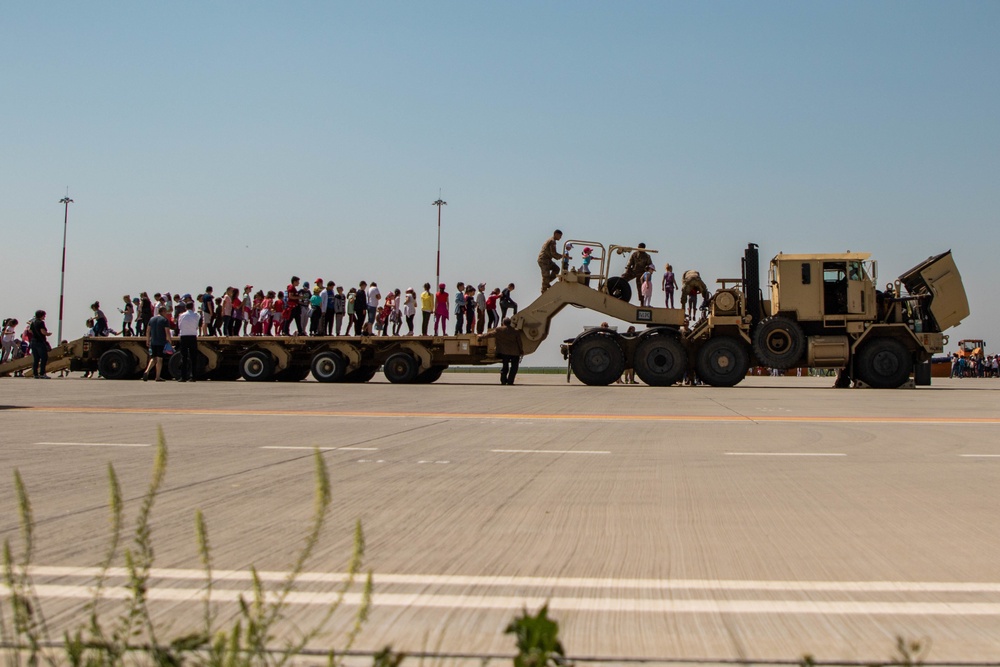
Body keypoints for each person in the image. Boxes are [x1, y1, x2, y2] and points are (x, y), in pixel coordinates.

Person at [480, 317, 524, 385]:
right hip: (515, 352)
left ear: (503, 323)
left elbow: (490, 334)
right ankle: (510, 381)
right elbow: (519, 342)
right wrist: (521, 350)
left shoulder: (499, 330)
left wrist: (481, 337)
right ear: (510, 323)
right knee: (514, 368)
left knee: (505, 367)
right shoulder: (515, 331)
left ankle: (503, 380)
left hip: (504, 352)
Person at [142, 306, 172, 382]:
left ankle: (147, 371)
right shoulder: (164, 320)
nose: (166, 314)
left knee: (153, 358)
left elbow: (148, 330)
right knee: (159, 359)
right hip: (161, 342)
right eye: (165, 312)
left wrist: (147, 340)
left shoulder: (152, 319)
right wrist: (169, 341)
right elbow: (167, 331)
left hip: (153, 341)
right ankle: (157, 377)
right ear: (163, 312)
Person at [176, 298, 200, 382]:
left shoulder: (181, 315)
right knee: (193, 357)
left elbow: (179, 326)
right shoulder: (196, 315)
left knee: (184, 357)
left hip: (184, 336)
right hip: (193, 336)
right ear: (193, 307)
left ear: (185, 307)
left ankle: (183, 377)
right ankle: (193, 376)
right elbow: (197, 326)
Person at [28, 311, 51, 378]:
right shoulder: (41, 322)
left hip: (33, 341)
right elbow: (42, 331)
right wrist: (47, 334)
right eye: (44, 315)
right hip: (40, 342)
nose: (45, 317)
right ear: (41, 315)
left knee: (36, 359)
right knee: (44, 358)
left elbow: (30, 331)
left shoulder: (33, 322)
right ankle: (42, 373)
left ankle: (35, 374)